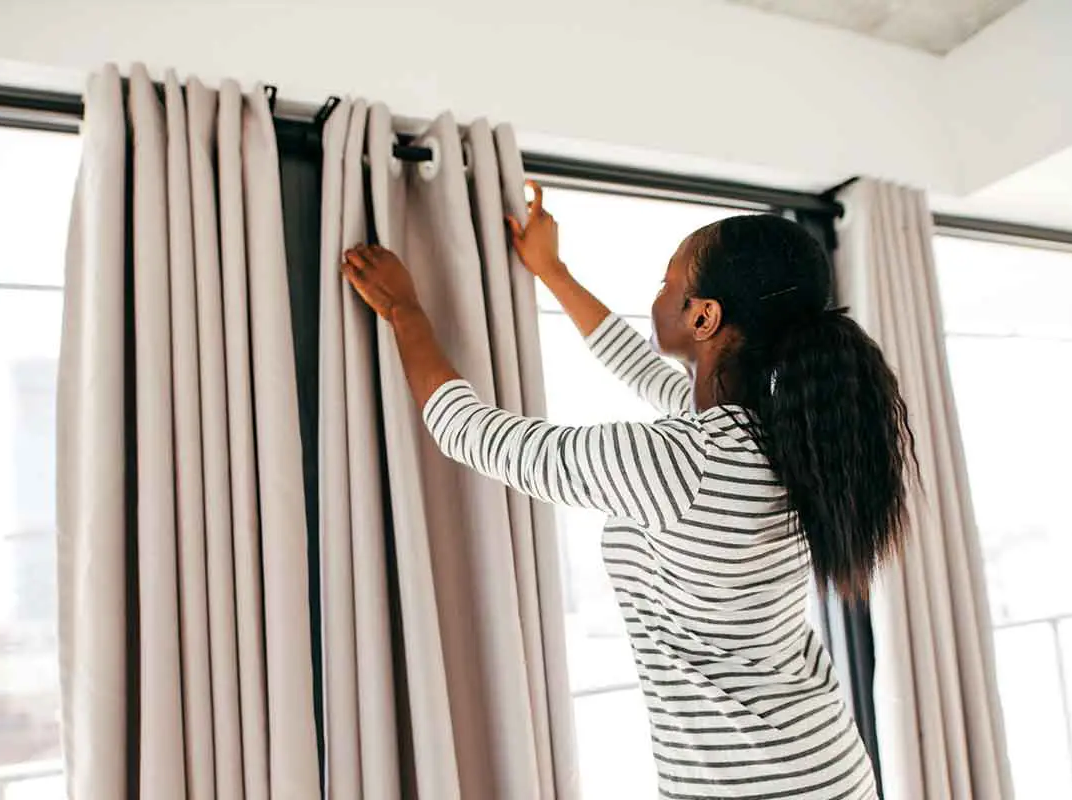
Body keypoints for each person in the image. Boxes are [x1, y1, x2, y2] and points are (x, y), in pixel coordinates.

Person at [341, 180, 914, 800]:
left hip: (746, 787)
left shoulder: (681, 461)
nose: (658, 296)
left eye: (667, 283)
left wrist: (406, 310)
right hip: (824, 763)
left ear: (704, 316)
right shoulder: (783, 435)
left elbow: (471, 433)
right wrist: (553, 272)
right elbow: (640, 368)